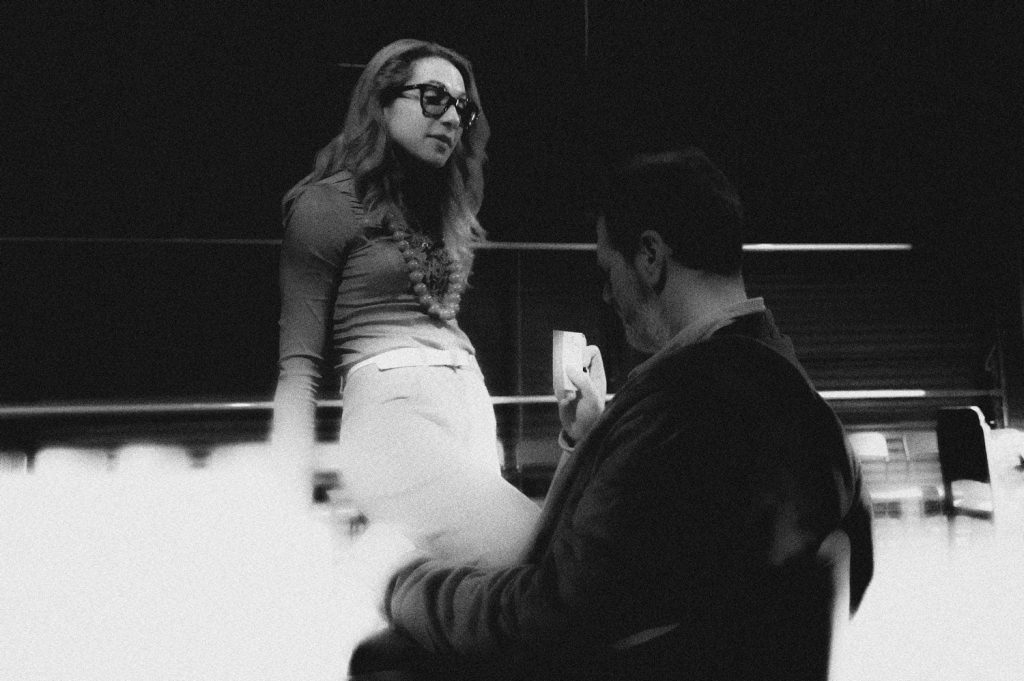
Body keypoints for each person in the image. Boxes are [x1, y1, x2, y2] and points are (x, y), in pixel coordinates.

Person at [351, 148, 875, 680]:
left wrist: (405, 582)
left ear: (650, 256)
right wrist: (590, 437)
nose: (606, 295)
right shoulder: (801, 405)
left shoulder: (680, 410)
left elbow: (544, 620)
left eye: (608, 269)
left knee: (381, 659)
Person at [272, 39, 540, 566]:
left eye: (462, 108)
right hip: (393, 416)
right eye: (434, 98)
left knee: (484, 584)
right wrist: (286, 506)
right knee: (534, 543)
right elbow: (298, 366)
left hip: (469, 408)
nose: (452, 119)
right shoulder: (326, 205)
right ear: (383, 100)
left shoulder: (438, 210)